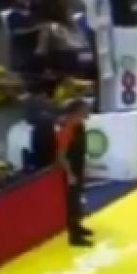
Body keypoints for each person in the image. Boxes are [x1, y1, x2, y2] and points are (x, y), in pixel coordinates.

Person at [56, 99, 93, 247]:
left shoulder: (80, 126)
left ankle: (78, 227)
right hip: (70, 171)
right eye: (85, 110)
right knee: (72, 203)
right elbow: (61, 155)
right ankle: (74, 237)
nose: (88, 112)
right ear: (77, 112)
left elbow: (80, 149)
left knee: (77, 200)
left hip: (79, 166)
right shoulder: (66, 130)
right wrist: (70, 174)